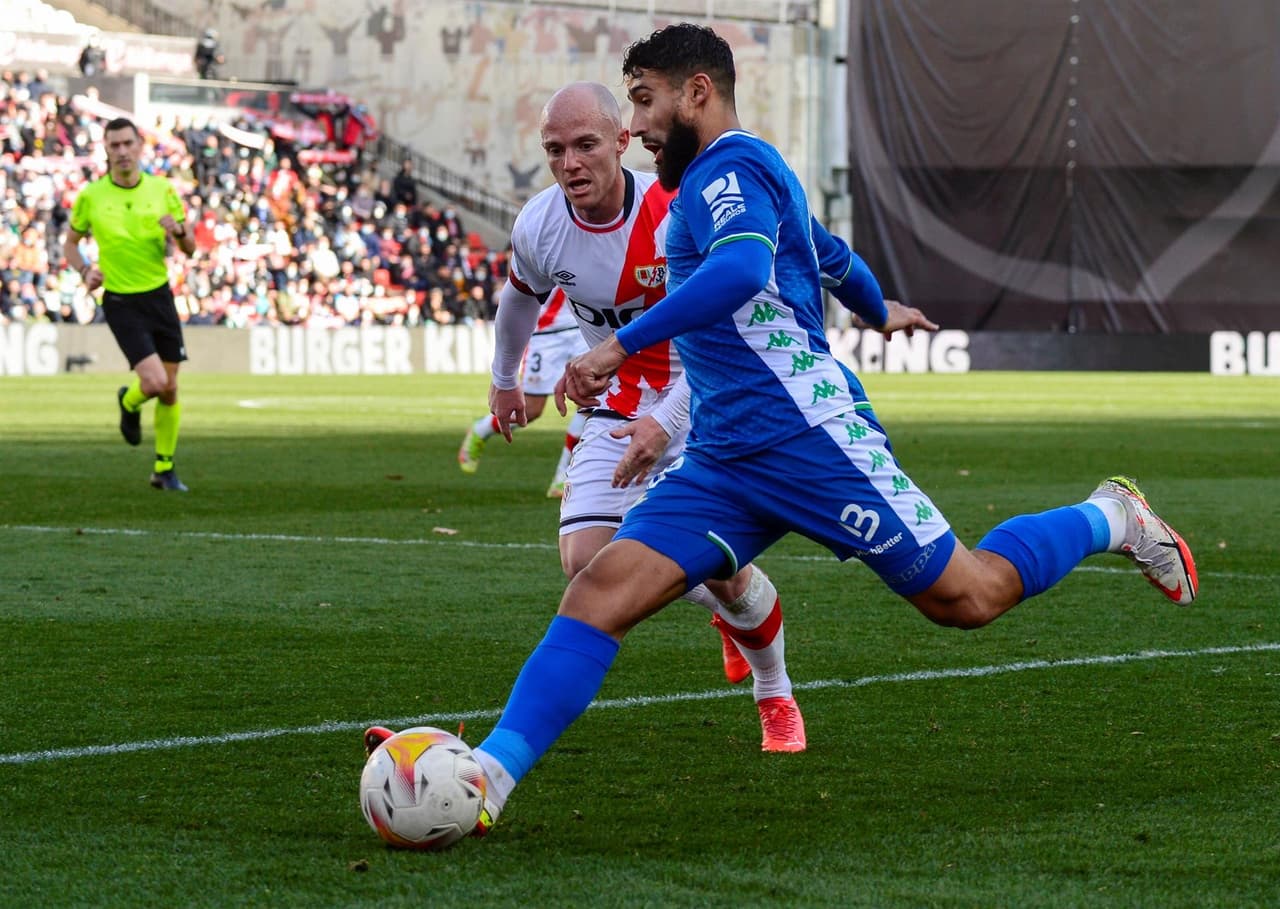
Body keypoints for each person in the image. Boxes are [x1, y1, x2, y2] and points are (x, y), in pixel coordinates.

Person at [389, 24, 1199, 838]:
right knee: (599, 589)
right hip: (725, 456)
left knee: (969, 598)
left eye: (643, 101)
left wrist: (617, 344)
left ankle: (1113, 516)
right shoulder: (729, 176)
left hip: (809, 438)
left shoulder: (730, 169)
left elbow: (742, 270)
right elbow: (830, 256)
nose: (634, 127)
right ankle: (488, 774)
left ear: (697, 91)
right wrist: (880, 309)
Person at [440, 82, 803, 741]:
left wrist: (667, 421)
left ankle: (774, 690)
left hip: (708, 396)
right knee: (585, 562)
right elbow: (519, 300)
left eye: (585, 146)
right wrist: (503, 380)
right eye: (555, 150)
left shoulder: (675, 210)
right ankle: (722, 598)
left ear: (621, 142)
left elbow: (729, 322)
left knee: (715, 558)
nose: (570, 163)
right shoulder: (541, 224)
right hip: (617, 402)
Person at [64, 117, 197, 492]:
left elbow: (190, 248)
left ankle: (164, 469)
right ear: (106, 150)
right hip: (121, 301)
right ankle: (130, 401)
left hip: (159, 297)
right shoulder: (91, 196)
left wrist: (180, 232)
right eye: (114, 145)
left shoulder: (162, 190)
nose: (122, 151)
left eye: (127, 144)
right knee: (154, 382)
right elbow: (70, 244)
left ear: (140, 146)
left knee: (170, 389)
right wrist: (85, 270)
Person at [455, 287, 589, 499]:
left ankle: (564, 476)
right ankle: (481, 430)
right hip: (546, 335)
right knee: (532, 409)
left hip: (583, 327)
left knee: (591, 401)